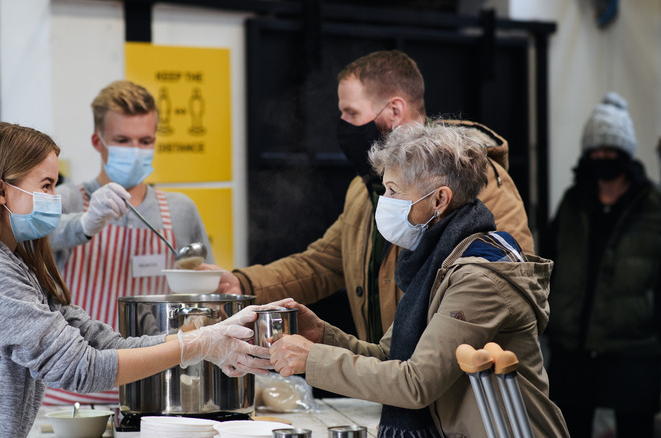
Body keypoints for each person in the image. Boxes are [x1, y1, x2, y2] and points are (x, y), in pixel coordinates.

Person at [0, 122, 273, 437]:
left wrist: (201, 340)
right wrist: (194, 345)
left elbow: (104, 342)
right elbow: (80, 367)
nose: (53, 198)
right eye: (45, 186)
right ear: (0, 191)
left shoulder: (16, 266)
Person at [204, 50, 533, 343]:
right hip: (387, 384)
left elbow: (512, 289)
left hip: (447, 393)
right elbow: (323, 264)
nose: (343, 125)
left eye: (352, 113)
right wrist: (241, 283)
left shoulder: (477, 182)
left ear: (394, 110)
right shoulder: (366, 188)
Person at [268, 123, 568, 437]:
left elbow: (416, 383)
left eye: (394, 191)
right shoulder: (436, 260)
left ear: (439, 200)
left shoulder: (479, 277)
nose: (385, 201)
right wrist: (323, 336)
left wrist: (312, 359)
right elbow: (389, 357)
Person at [45, 80, 214, 404]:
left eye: (145, 141)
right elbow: (20, 248)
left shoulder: (179, 210)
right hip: (72, 392)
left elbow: (203, 296)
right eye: (122, 141)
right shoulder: (65, 201)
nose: (135, 151)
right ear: (98, 141)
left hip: (156, 391)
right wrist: (84, 223)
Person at [543, 92, 661, 438]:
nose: (603, 158)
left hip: (634, 350)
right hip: (572, 349)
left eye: (611, 151)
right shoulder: (573, 202)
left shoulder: (653, 207)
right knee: (568, 429)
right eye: (596, 151)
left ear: (626, 154)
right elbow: (549, 261)